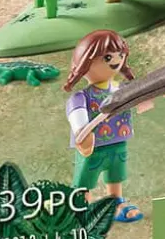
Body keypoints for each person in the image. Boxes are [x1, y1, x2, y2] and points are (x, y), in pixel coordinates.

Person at [65, 30, 153, 223]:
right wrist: (81, 131)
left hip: (118, 144)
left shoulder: (123, 90)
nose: (116, 60)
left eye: (120, 55)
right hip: (92, 149)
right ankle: (80, 207)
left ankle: (115, 203)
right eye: (107, 57)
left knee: (116, 175)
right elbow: (77, 118)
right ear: (85, 62)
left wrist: (150, 97)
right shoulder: (81, 97)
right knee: (84, 179)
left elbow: (144, 100)